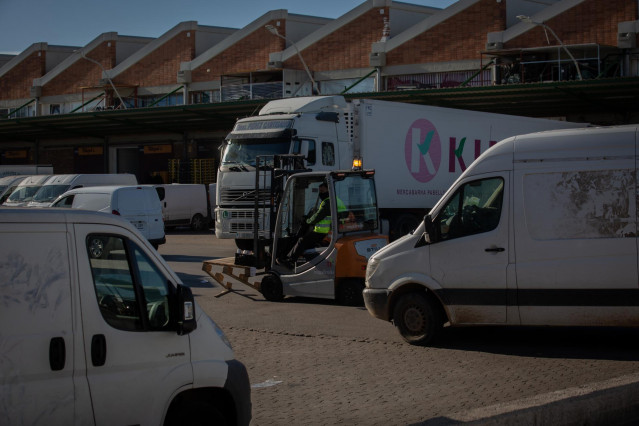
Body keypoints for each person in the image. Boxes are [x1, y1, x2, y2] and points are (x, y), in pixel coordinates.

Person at [277, 182, 345, 269]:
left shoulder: (327, 202)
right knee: (307, 242)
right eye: (320, 191)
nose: (321, 193)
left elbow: (318, 216)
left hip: (323, 232)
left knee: (302, 240)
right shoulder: (337, 200)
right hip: (333, 230)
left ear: (328, 190)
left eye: (322, 191)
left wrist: (308, 221)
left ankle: (291, 261)